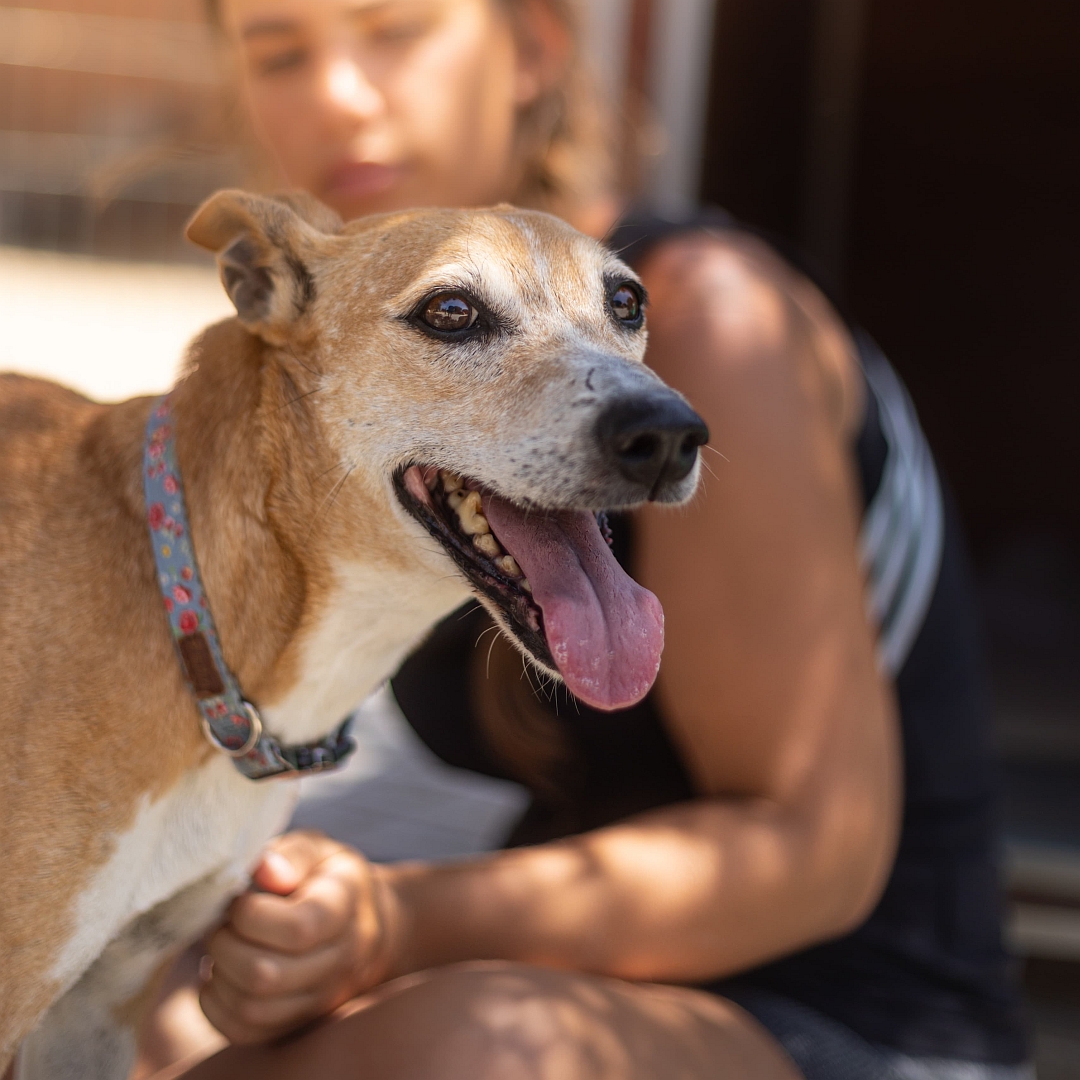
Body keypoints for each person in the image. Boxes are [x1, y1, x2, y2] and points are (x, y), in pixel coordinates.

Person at [138, 1, 1029, 1077]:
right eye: (279, 52)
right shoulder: (356, 370)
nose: (338, 93)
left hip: (857, 1023)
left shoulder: (713, 317)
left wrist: (390, 924)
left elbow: (813, 855)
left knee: (457, 1053)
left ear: (531, 50)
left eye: (397, 29)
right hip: (580, 971)